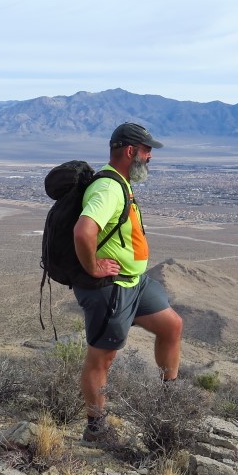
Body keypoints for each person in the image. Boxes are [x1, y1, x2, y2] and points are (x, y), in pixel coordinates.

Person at [73, 122, 184, 442]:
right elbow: (83, 231)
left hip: (134, 283)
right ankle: (96, 428)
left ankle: (170, 399)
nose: (150, 156)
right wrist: (93, 267)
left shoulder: (122, 183)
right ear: (130, 151)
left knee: (171, 326)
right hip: (111, 288)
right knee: (102, 358)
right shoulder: (108, 187)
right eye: (147, 150)